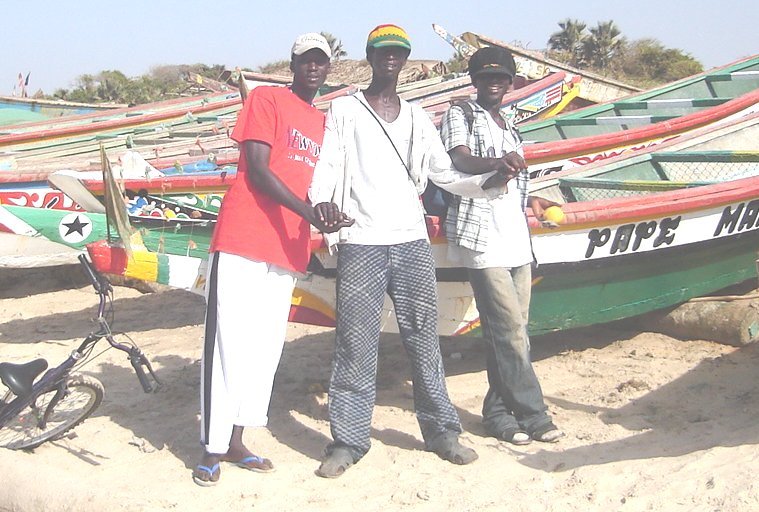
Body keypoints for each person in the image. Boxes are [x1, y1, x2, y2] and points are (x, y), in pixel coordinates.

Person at [309, 24, 502, 479]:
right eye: (382, 52)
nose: (390, 59)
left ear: (406, 58)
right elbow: (328, 162)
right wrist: (322, 203)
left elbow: (443, 172)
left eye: (397, 52)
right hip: (361, 242)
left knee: (423, 338)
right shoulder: (345, 110)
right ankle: (348, 440)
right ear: (371, 57)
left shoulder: (416, 117)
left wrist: (491, 180)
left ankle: (441, 433)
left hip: (411, 241)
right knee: (355, 343)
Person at [192, 33, 352, 487]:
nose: (314, 68)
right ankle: (211, 445)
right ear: (293, 64)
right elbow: (259, 170)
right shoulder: (267, 99)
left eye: (321, 61)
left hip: (288, 246)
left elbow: (321, 185)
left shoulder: (323, 122)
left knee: (263, 349)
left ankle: (238, 440)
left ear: (329, 67)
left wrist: (328, 212)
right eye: (306, 61)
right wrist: (309, 212)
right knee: (226, 341)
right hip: (245, 236)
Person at [438, 46, 565, 445]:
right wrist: (498, 162)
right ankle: (534, 413)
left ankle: (497, 413)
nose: (494, 83)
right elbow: (458, 160)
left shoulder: (510, 126)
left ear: (510, 83)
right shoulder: (460, 113)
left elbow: (516, 181)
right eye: (486, 77)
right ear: (474, 81)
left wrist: (533, 198)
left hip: (515, 238)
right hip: (482, 239)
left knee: (512, 331)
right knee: (509, 328)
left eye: (501, 78)